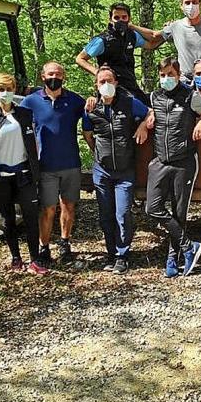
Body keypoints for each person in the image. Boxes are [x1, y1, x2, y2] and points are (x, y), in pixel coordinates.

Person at [146, 57, 201, 278]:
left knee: (179, 212)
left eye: (170, 75)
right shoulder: (154, 96)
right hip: (160, 160)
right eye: (162, 75)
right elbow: (147, 113)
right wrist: (142, 123)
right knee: (152, 208)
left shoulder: (190, 95)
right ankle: (189, 246)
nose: (166, 79)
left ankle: (173, 259)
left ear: (178, 75)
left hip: (184, 161)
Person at [82, 66, 152, 275]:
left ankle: (123, 255)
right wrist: (98, 153)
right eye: (101, 81)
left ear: (116, 83)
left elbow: (150, 112)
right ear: (96, 85)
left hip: (125, 170)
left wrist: (142, 127)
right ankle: (110, 253)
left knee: (122, 213)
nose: (106, 85)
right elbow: (87, 134)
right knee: (105, 215)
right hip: (101, 171)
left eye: (109, 80)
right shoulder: (91, 108)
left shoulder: (129, 103)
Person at [0, 73, 45, 275]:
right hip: (0, 177)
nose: (5, 93)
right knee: (8, 220)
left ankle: (34, 260)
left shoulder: (24, 114)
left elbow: (34, 141)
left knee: (31, 218)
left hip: (24, 175)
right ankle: (16, 258)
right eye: (1, 89)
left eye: (9, 88)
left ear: (14, 89)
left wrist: (35, 162)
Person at [20, 62, 86, 266]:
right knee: (48, 209)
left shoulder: (74, 100)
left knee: (68, 206)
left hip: (71, 163)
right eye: (50, 74)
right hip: (45, 165)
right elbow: (12, 119)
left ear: (64, 77)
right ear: (42, 77)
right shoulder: (30, 102)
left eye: (58, 74)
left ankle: (65, 243)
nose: (54, 77)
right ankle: (44, 246)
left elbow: (92, 113)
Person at [137, 0, 201, 84]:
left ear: (200, 4)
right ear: (181, 6)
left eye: (194, 2)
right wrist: (130, 26)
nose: (191, 6)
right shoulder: (175, 26)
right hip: (185, 80)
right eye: (187, 3)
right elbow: (153, 36)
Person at [76, 2, 158, 104]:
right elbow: (80, 58)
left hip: (131, 85)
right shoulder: (102, 40)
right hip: (110, 88)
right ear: (110, 19)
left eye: (124, 17)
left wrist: (169, 31)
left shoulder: (132, 36)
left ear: (129, 18)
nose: (121, 20)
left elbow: (152, 44)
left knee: (147, 109)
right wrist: (98, 73)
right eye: (117, 17)